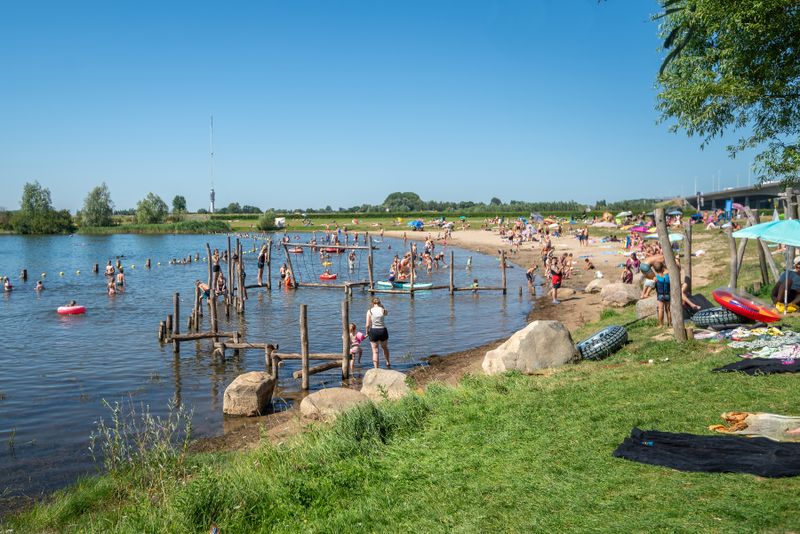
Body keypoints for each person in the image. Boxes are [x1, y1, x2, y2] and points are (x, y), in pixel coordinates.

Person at [366, 298, 390, 368]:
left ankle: (376, 367)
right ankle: (388, 362)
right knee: (385, 347)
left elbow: (367, 324)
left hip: (374, 331)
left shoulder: (369, 311)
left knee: (375, 351)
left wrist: (367, 332)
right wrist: (383, 307)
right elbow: (386, 313)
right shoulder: (383, 310)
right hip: (383, 330)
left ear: (372, 303)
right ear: (380, 303)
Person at [653, 261, 671, 327]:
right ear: (662, 268)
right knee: (668, 310)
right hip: (667, 295)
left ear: (654, 269)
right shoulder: (667, 276)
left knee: (661, 309)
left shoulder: (656, 278)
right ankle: (670, 323)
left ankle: (661, 324)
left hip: (660, 295)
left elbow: (653, 286)